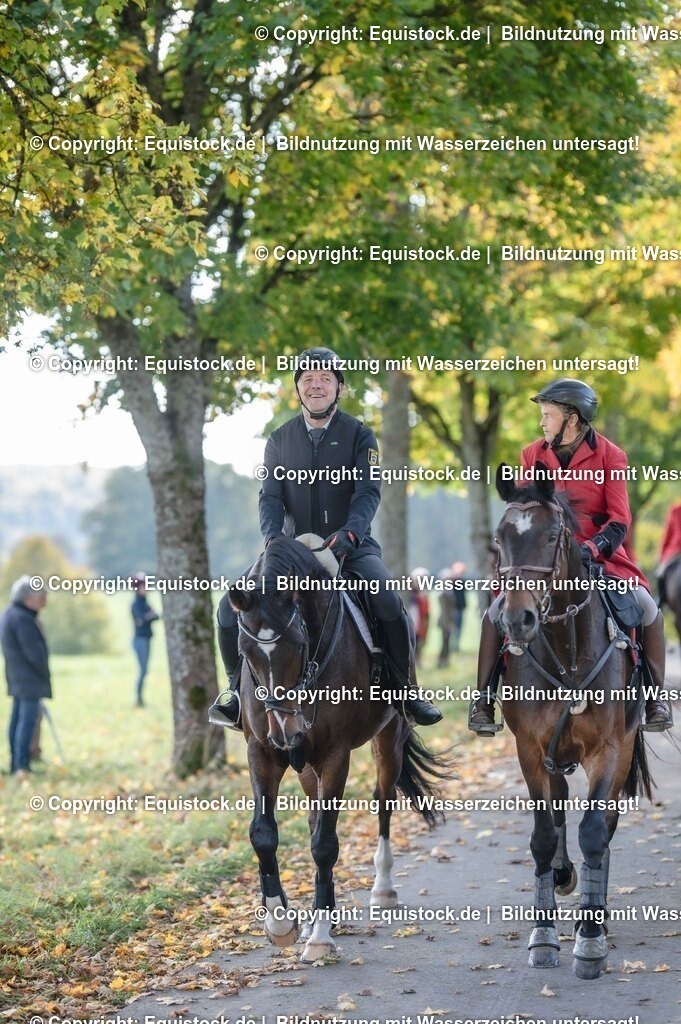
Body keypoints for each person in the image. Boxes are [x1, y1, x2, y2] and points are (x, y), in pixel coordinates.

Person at [210, 346, 442, 729]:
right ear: (297, 389)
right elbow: (269, 496)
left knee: (387, 600)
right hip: (288, 551)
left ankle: (405, 691)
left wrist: (350, 533)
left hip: (351, 546)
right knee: (226, 610)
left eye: (324, 379)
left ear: (339, 388)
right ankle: (236, 695)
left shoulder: (360, 436)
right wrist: (272, 540)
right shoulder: (279, 440)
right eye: (308, 379)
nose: (316, 385)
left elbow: (368, 492)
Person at [470, 378, 672, 735]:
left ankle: (655, 699)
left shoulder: (612, 455)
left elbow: (619, 518)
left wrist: (592, 549)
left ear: (573, 418)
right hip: (542, 559)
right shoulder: (532, 453)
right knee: (494, 612)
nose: (542, 423)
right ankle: (484, 701)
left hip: (597, 557)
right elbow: (526, 507)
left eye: (548, 415)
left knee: (647, 607)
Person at [0, 575, 52, 776]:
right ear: (29, 597)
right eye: (41, 594)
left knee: (18, 718)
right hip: (28, 677)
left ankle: (17, 761)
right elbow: (34, 653)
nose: (45, 598)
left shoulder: (11, 614)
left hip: (18, 676)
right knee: (26, 720)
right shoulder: (23, 618)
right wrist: (43, 670)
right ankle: (21, 764)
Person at [131, 573, 159, 707]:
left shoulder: (144, 603)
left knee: (144, 670)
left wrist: (149, 616)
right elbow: (142, 620)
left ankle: (140, 698)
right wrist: (150, 616)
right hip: (140, 641)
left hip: (146, 639)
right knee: (142, 671)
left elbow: (155, 616)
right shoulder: (136, 604)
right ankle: (139, 698)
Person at [437, 562, 467, 667]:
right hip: (446, 621)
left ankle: (445, 660)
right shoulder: (443, 593)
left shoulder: (448, 591)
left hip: (449, 619)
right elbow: (445, 610)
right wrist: (449, 622)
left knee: (447, 641)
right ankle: (442, 661)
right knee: (444, 642)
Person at [657, 502, 681, 608]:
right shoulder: (675, 510)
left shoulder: (675, 510)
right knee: (660, 573)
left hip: (675, 550)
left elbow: (668, 536)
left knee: (660, 573)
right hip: (676, 552)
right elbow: (668, 535)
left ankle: (661, 601)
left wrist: (661, 556)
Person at [408, 569, 430, 666]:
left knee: (421, 641)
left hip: (422, 621)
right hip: (414, 621)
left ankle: (418, 659)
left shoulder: (424, 594)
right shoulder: (411, 595)